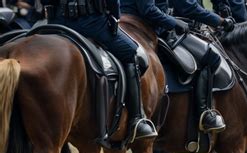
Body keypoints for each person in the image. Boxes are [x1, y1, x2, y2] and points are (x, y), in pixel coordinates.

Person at [40, 0, 186, 142]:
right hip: (91, 23)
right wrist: (114, 17)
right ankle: (137, 118)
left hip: (57, 22)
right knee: (133, 54)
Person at [122, 0, 235, 133]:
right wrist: (220, 21)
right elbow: (183, 7)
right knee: (211, 57)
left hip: (122, 25)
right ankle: (205, 113)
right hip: (151, 27)